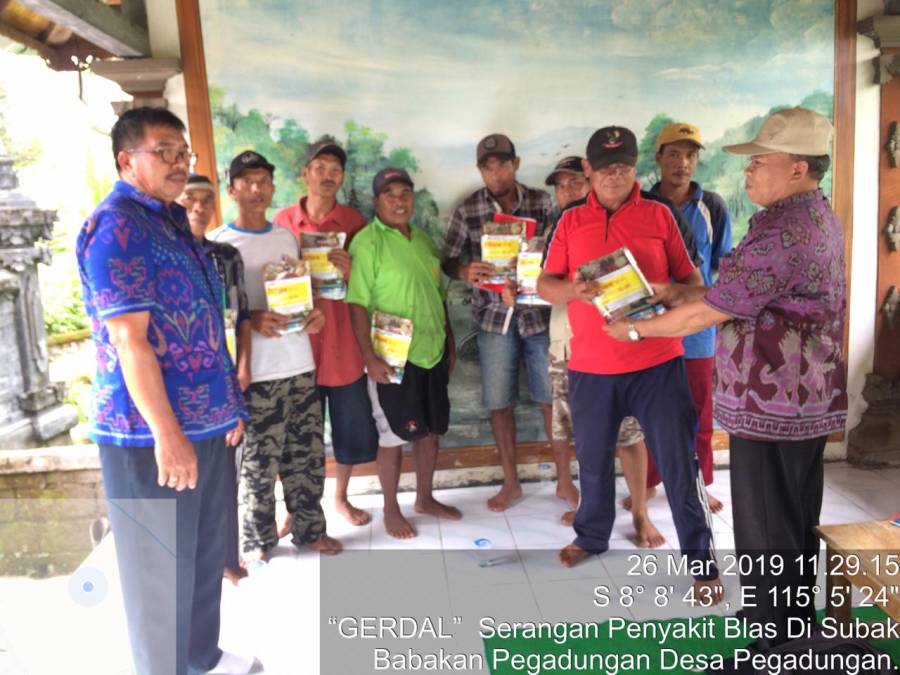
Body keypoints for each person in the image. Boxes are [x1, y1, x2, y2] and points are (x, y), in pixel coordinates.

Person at [604, 108, 846, 653]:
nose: (748, 170)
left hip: (773, 408)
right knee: (791, 522)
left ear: (799, 168)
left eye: (760, 161)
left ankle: (773, 646)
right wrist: (674, 291)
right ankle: (791, 629)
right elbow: (735, 293)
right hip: (803, 401)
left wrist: (636, 329)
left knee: (766, 530)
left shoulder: (784, 232)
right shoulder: (809, 214)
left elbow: (709, 314)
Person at [76, 107, 259, 675]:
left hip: (205, 423)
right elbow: (130, 341)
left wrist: (228, 405)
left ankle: (201, 658)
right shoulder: (118, 226)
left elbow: (204, 327)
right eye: (164, 152)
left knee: (202, 556)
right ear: (126, 160)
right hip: (148, 435)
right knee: (158, 573)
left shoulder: (172, 223)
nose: (178, 164)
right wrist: (167, 434)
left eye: (184, 153)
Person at [538, 125, 720, 602]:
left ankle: (702, 565)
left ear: (635, 167)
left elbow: (694, 284)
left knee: (678, 465)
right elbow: (544, 285)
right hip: (590, 367)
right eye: (605, 168)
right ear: (588, 170)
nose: (614, 176)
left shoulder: (660, 215)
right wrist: (574, 290)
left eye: (623, 167)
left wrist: (667, 295)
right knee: (593, 462)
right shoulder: (570, 221)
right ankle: (591, 536)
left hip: (657, 363)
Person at [210, 150, 340, 561]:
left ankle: (310, 531)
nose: (256, 188)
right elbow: (214, 312)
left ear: (272, 187)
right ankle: (259, 541)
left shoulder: (285, 237)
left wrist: (314, 316)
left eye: (263, 181)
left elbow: (300, 294)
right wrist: (251, 318)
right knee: (258, 465)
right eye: (247, 181)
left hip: (299, 364)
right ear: (231, 190)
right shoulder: (218, 244)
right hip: (255, 373)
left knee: (307, 459)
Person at [534, 156, 663, 548]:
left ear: (590, 180)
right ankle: (591, 516)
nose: (568, 191)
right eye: (561, 185)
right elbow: (541, 286)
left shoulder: (631, 219)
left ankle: (640, 512)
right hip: (567, 344)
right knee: (584, 437)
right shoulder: (555, 229)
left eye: (575, 182)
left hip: (620, 346)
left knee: (630, 435)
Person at [442, 134, 556, 512]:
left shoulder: (542, 202)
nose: (496, 175)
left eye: (502, 165)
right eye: (487, 168)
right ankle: (511, 483)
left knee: (551, 399)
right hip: (493, 319)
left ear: (516, 164)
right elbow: (448, 260)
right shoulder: (469, 208)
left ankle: (565, 481)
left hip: (538, 316)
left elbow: (560, 253)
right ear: (480, 171)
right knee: (499, 403)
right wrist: (465, 271)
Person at [347, 168, 461, 538]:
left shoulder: (424, 241)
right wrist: (370, 357)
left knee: (430, 431)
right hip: (392, 357)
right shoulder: (367, 243)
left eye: (405, 194)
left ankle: (425, 498)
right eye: (390, 195)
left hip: (431, 351)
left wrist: (450, 340)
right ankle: (391, 509)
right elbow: (357, 303)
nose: (399, 201)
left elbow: (438, 296)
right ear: (377, 202)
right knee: (392, 437)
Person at [273, 140, 379, 528]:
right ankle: (295, 507)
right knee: (299, 435)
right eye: (319, 168)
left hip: (344, 345)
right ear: (305, 173)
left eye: (335, 170)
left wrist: (352, 272)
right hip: (297, 348)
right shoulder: (282, 222)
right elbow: (270, 282)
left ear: (343, 177)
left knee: (348, 432)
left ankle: (341, 497)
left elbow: (370, 284)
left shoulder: (354, 223)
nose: (327, 176)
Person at [645, 122, 733, 514]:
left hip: (698, 329)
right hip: (652, 327)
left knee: (699, 411)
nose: (683, 163)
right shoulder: (642, 205)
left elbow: (723, 266)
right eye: (675, 154)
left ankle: (700, 483)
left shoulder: (712, 206)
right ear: (659, 158)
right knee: (650, 410)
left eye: (691, 155)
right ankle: (649, 483)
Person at [177, 174, 251, 585]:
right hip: (179, 383)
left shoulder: (226, 256)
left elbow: (242, 318)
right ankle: (189, 562)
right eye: (190, 198)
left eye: (207, 200)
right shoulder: (163, 254)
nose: (199, 207)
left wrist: (243, 369)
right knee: (184, 475)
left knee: (225, 473)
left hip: (223, 377)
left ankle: (227, 559)